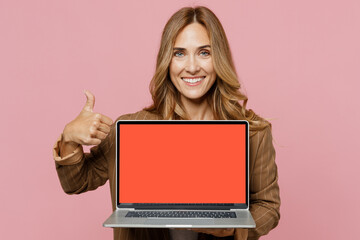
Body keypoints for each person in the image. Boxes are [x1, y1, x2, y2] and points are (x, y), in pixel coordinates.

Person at [53, 6, 280, 240]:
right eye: (179, 53)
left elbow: (268, 207)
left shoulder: (254, 133)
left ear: (219, 58)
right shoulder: (131, 131)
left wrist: (233, 227)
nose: (192, 67)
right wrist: (69, 138)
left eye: (204, 52)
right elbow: (76, 182)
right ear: (167, 61)